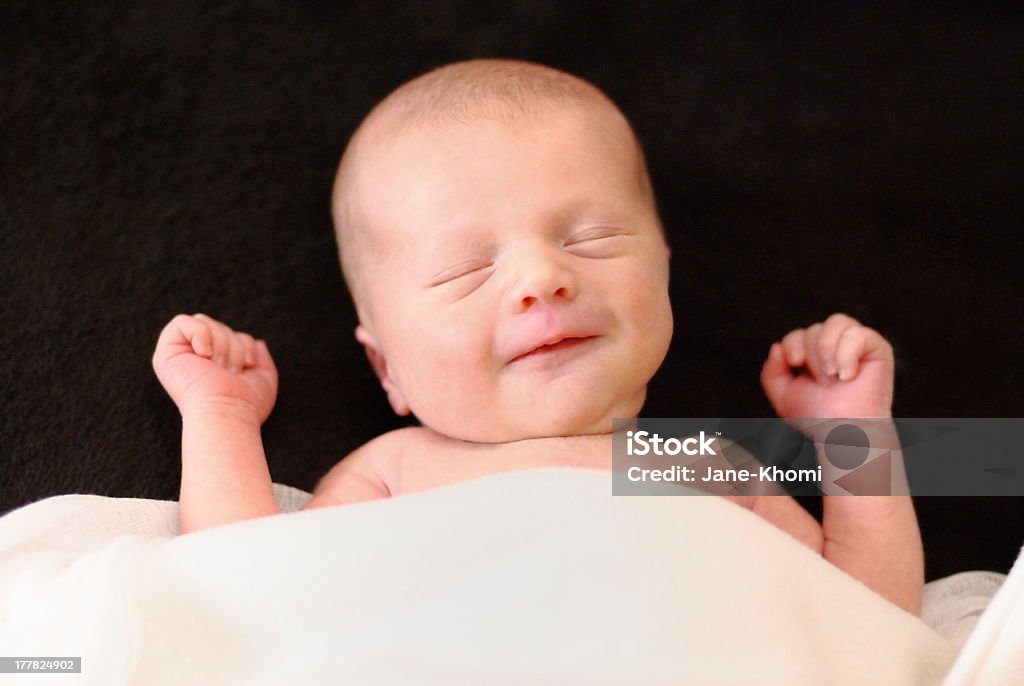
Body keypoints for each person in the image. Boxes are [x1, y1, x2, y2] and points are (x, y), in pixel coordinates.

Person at [152, 59, 923, 614]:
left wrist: (853, 433)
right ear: (388, 367)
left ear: (662, 277)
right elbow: (244, 592)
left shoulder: (694, 460)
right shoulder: (396, 471)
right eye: (463, 271)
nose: (539, 279)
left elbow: (872, 619)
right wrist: (220, 418)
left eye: (589, 239)